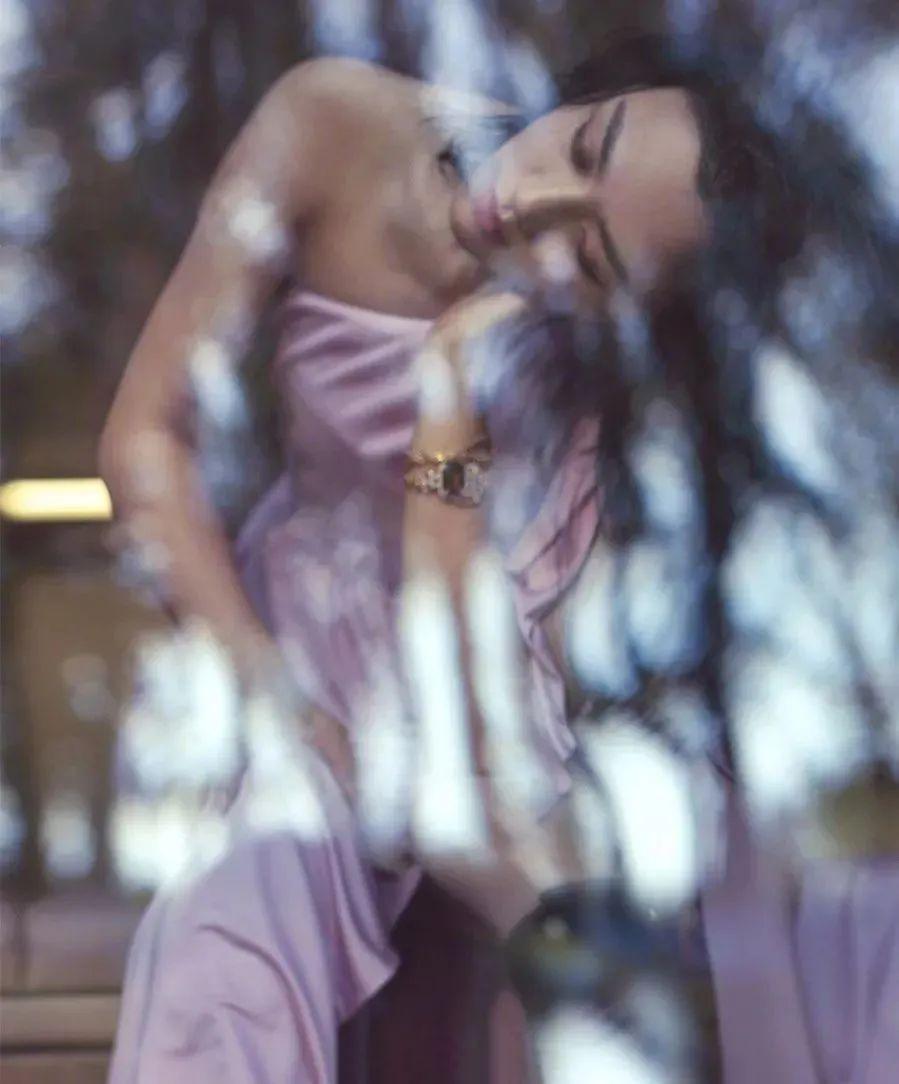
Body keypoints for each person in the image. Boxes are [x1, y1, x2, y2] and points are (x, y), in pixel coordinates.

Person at [100, 34, 765, 1083]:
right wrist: (271, 698)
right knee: (238, 928)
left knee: (590, 963)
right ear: (583, 92)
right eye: (580, 145)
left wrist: (449, 388)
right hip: (293, 650)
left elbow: (474, 633)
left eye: (588, 256)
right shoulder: (335, 122)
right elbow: (146, 440)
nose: (530, 205)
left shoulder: (583, 379)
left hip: (468, 669)